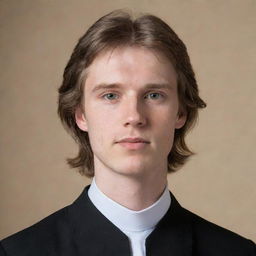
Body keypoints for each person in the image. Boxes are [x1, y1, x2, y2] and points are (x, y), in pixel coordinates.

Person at [0, 9, 255, 256]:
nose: (134, 116)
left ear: (181, 113)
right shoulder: (16, 252)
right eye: (110, 95)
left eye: (154, 95)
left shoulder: (240, 252)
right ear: (80, 114)